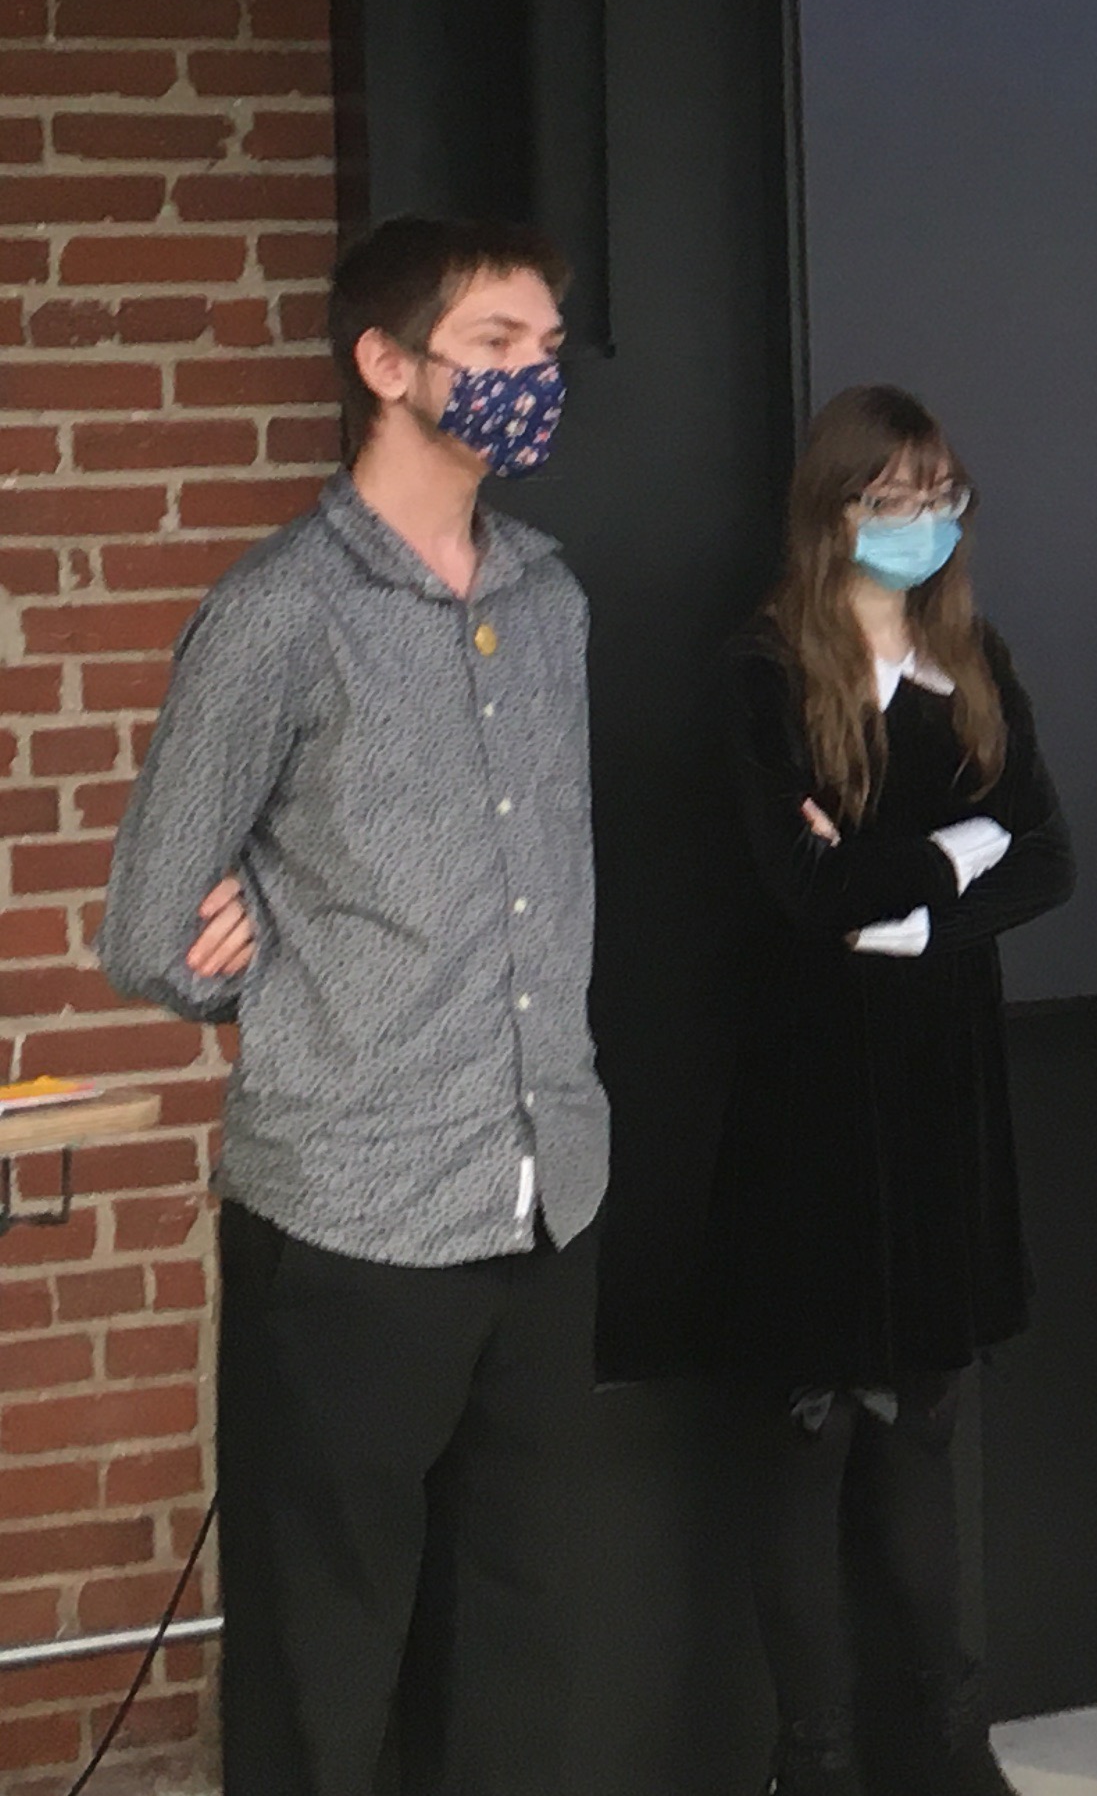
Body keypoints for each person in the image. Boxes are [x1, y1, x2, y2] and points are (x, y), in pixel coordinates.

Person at [100, 215, 601, 1796]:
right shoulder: (280, 612)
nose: (534, 376)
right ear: (387, 364)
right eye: (497, 346)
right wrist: (257, 948)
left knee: (510, 1652)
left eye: (547, 348)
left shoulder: (550, 597)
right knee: (325, 1667)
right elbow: (147, 926)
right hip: (351, 1217)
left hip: (544, 1194)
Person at [709, 386, 1074, 1794]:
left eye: (941, 496)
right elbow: (803, 891)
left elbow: (1051, 857)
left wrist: (913, 901)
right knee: (804, 1447)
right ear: (835, 506)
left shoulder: (974, 662)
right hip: (808, 1110)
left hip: (938, 1102)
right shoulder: (764, 671)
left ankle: (948, 1748)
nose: (923, 521)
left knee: (923, 1434)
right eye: (894, 497)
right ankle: (814, 1760)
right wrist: (961, 848)